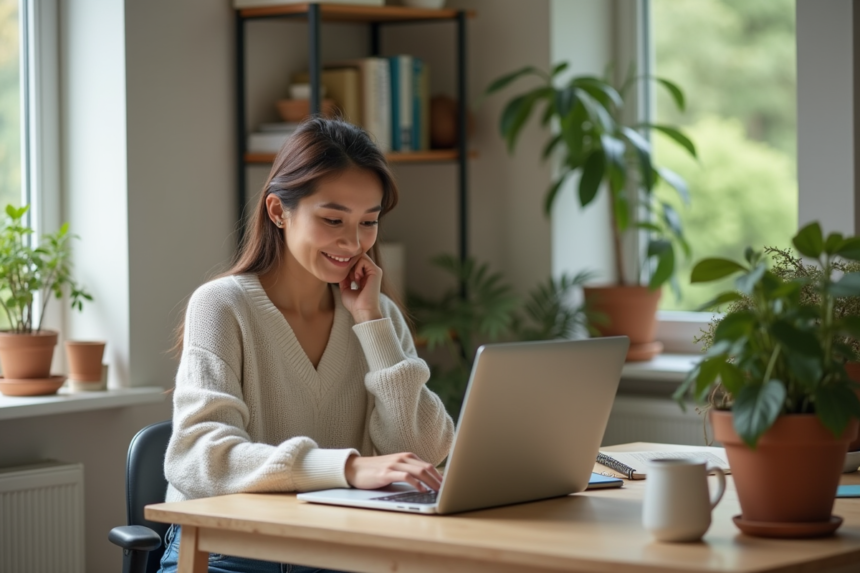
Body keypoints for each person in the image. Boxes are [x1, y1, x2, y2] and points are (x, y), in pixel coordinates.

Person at [158, 117, 455, 573]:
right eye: (333, 219)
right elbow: (199, 457)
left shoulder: (377, 314)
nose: (354, 242)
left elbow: (424, 447)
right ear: (278, 211)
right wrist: (348, 468)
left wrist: (371, 322)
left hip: (341, 545)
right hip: (231, 550)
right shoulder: (222, 306)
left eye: (369, 222)